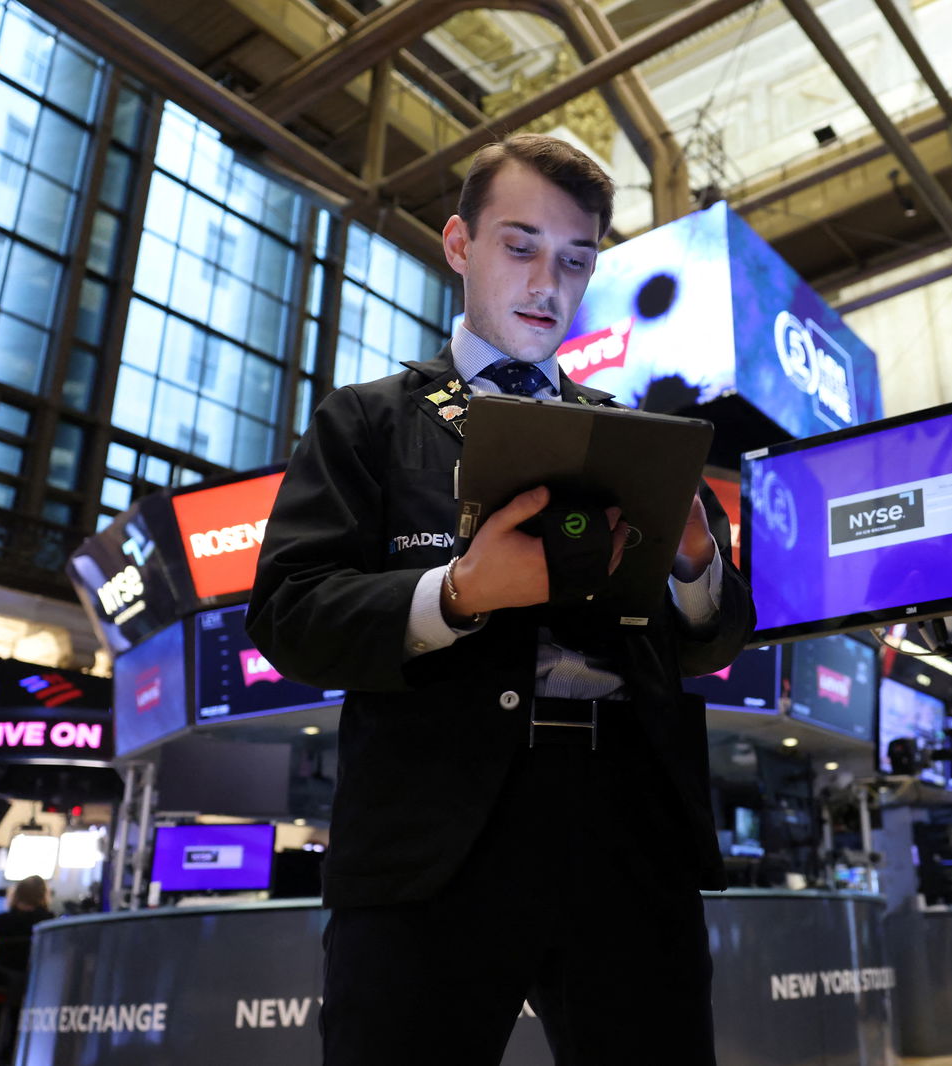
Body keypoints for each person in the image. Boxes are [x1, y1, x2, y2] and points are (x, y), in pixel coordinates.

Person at [246, 133, 753, 1066]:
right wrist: (456, 594)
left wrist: (692, 564)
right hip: (434, 842)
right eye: (519, 247)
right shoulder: (369, 421)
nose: (547, 286)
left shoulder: (637, 439)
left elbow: (709, 642)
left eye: (576, 259)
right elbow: (290, 613)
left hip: (628, 836)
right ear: (458, 245)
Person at [0, 875, 53, 1061]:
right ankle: (9, 1055)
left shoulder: (2, 919)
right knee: (16, 1016)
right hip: (27, 983)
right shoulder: (47, 921)